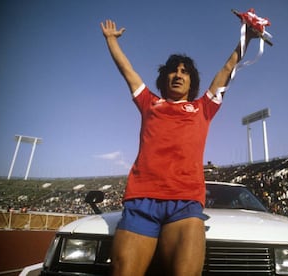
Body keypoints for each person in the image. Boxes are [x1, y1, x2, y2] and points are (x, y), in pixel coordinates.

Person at [101, 19, 258, 276]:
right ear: (164, 79)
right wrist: (111, 40)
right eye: (173, 71)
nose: (178, 75)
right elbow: (127, 71)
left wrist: (247, 38)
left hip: (185, 203)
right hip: (141, 201)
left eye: (185, 72)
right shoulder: (148, 102)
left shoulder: (203, 108)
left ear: (191, 81)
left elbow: (228, 67)